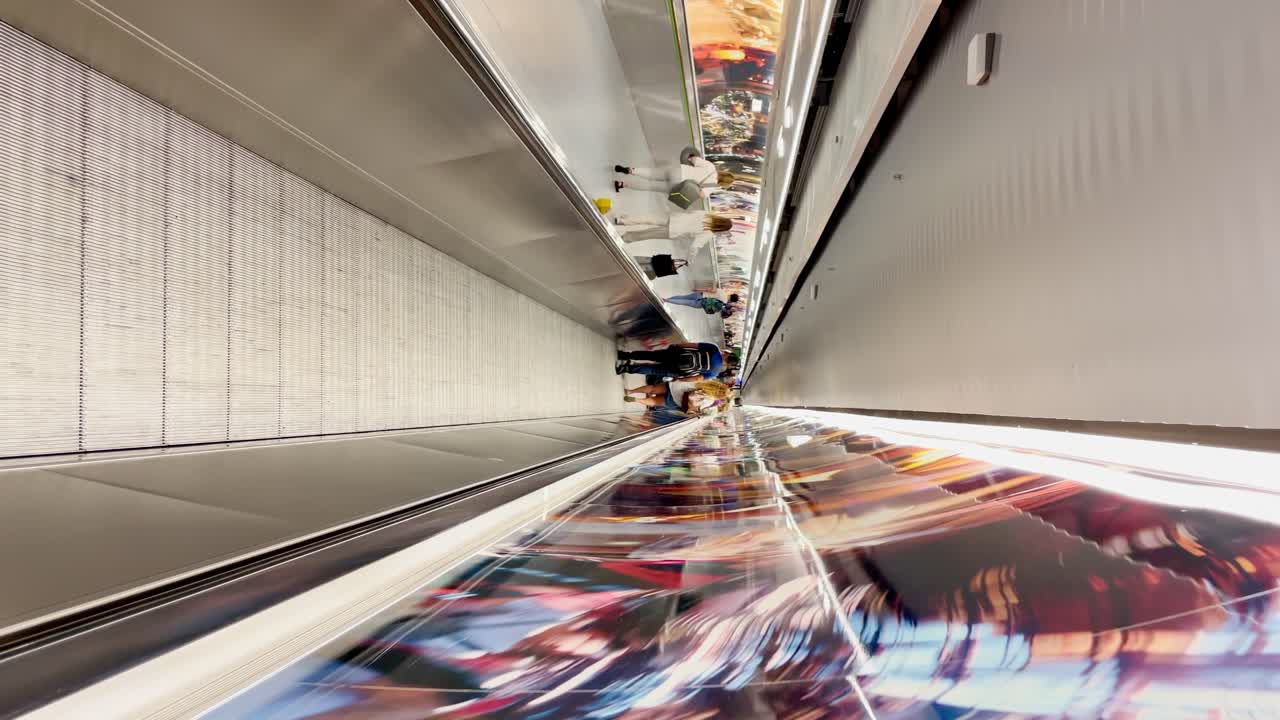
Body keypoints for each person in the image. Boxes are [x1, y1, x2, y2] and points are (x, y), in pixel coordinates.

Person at [616, 342, 723, 380]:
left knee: (652, 356)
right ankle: (625, 368)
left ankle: (625, 355)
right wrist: (680, 379)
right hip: (679, 370)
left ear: (727, 354)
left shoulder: (714, 349)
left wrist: (677, 346)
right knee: (653, 371)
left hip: (678, 354)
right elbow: (696, 378)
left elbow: (693, 345)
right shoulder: (715, 372)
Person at [615, 212, 733, 245]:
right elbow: (696, 245)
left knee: (649, 218)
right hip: (674, 231)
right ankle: (625, 238)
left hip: (675, 219)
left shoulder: (708, 214)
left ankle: (623, 221)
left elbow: (693, 213)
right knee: (647, 234)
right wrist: (689, 260)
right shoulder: (709, 233)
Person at [624, 379, 730, 415]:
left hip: (676, 387)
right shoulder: (710, 400)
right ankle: (638, 400)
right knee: (655, 402)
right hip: (677, 401)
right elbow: (697, 407)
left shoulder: (707, 383)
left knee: (652, 388)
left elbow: (692, 379)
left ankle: (631, 391)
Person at [665, 292, 739, 315]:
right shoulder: (723, 303)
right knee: (685, 302)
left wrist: (698, 290)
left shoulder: (722, 291)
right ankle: (666, 300)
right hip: (702, 303)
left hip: (700, 294)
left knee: (682, 297)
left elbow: (710, 290)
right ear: (732, 301)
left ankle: (667, 299)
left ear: (732, 294)